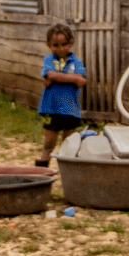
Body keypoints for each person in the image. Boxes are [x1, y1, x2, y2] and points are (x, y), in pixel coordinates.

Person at [35, 23, 87, 166]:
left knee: (69, 145)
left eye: (64, 44)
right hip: (50, 108)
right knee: (48, 143)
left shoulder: (76, 61)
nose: (60, 48)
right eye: (55, 45)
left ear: (71, 43)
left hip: (71, 109)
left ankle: (66, 173)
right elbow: (50, 74)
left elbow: (81, 81)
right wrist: (73, 78)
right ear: (49, 45)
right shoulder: (48, 60)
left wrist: (57, 78)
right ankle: (42, 174)